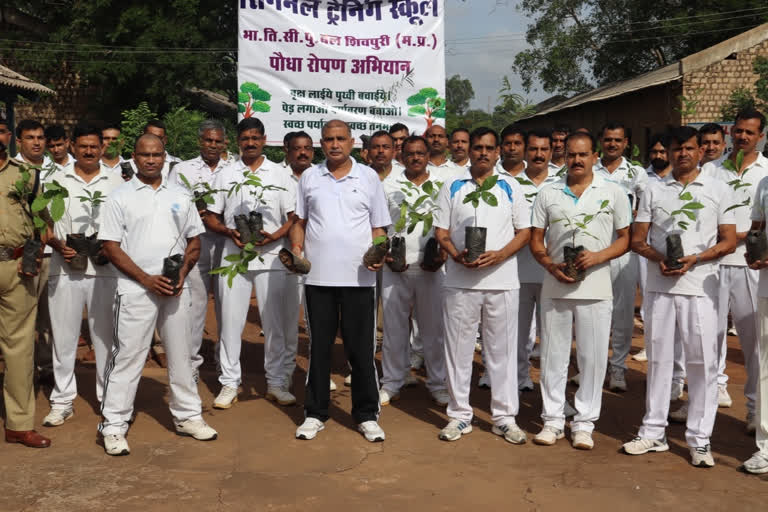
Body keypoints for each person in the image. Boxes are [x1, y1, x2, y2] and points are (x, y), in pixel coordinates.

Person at [624, 126, 736, 468]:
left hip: (702, 288)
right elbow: (638, 239)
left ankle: (700, 439)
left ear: (700, 151)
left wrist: (696, 259)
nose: (683, 154)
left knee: (701, 364)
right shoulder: (653, 189)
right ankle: (652, 431)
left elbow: (729, 240)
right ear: (669, 152)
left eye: (689, 148)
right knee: (659, 361)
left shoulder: (719, 188)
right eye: (677, 149)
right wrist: (660, 259)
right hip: (660, 288)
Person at [98, 134, 217, 456]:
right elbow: (110, 246)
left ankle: (188, 416)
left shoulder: (180, 194)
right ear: (134, 158)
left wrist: (180, 273)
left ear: (166, 157)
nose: (151, 160)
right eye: (145, 155)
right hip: (136, 288)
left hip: (175, 288)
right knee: (127, 356)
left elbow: (195, 241)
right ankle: (113, 424)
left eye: (157, 155)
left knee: (181, 355)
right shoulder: (119, 197)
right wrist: (146, 279)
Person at [289, 119, 390, 442]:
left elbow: (379, 228)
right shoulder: (309, 177)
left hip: (359, 279)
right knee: (319, 348)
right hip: (318, 278)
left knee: (360, 349)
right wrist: (295, 249)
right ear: (322, 143)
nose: (334, 144)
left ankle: (366, 415)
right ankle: (315, 413)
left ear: (352, 142)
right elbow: (299, 222)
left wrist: (378, 252)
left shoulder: (369, 176)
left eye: (340, 139)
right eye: (329, 139)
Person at [529, 132, 631, 450]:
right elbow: (535, 240)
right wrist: (549, 265)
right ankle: (553, 420)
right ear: (565, 155)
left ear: (594, 156)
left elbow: (626, 238)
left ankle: (584, 422)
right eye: (572, 154)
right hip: (556, 285)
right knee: (553, 357)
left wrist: (599, 256)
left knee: (592, 357)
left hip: (597, 287)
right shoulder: (548, 193)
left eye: (583, 155)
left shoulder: (613, 193)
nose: (576, 160)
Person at [433, 127, 531, 444]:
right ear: (469, 150)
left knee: (501, 351)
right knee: (458, 351)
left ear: (498, 152)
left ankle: (504, 417)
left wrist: (501, 254)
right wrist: (454, 255)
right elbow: (441, 231)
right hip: (460, 281)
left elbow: (524, 232)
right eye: (478, 148)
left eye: (490, 148)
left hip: (502, 281)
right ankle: (459, 415)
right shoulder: (452, 185)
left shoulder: (511, 186)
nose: (483, 153)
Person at [204, 117, 298, 407]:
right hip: (235, 257)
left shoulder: (280, 175)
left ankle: (276, 382)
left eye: (256, 137)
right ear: (238, 141)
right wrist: (228, 231)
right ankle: (229, 384)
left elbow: (293, 217)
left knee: (275, 323)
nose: (251, 143)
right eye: (245, 138)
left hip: (271, 257)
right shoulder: (226, 173)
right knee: (230, 323)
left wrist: (275, 237)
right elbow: (210, 216)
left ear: (264, 139)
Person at [42, 124, 124, 427]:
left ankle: (108, 399)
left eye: (94, 146)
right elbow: (43, 221)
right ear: (72, 147)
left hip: (105, 269)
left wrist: (113, 249)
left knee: (104, 336)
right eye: (83, 146)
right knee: (63, 336)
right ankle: (62, 400)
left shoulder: (116, 182)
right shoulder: (54, 179)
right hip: (66, 269)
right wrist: (56, 244)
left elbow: (125, 225)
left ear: (102, 148)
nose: (89, 151)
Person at [698, 108, 768, 430]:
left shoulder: (766, 173)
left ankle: (755, 408)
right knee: (707, 337)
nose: (742, 137)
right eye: (738, 131)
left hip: (749, 264)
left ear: (761, 136)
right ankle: (706, 400)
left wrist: (739, 237)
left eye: (749, 133)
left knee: (753, 341)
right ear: (731, 133)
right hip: (712, 264)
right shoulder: (711, 169)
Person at [379, 135, 449, 406]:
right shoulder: (388, 186)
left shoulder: (442, 186)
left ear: (428, 154)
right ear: (402, 156)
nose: (416, 158)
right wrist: (383, 251)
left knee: (433, 330)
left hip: (432, 268)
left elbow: (449, 225)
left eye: (421, 153)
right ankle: (392, 381)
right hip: (395, 266)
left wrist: (443, 254)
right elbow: (379, 226)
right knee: (395, 329)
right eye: (410, 154)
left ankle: (437, 382)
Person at [0, 116, 51, 448]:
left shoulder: (27, 177)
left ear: (8, 137)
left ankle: (18, 423)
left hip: (16, 266)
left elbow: (43, 224)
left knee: (19, 347)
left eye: (1, 129)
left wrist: (33, 256)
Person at [584, 121, 647, 392]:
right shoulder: (589, 167)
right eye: (607, 139)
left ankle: (618, 367)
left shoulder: (636, 173)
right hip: (593, 247)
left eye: (617, 140)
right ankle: (591, 368)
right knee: (591, 309)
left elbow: (645, 210)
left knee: (622, 311)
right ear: (600, 141)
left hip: (623, 248)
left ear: (626, 144)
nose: (612, 144)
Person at [168, 120, 230, 378]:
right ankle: (191, 364)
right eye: (208, 140)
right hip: (196, 241)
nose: (213, 145)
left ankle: (225, 364)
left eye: (217, 141)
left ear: (225, 143)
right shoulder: (182, 169)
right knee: (196, 303)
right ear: (200, 142)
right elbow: (171, 205)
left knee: (228, 304)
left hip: (227, 242)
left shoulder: (234, 169)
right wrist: (193, 212)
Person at [513, 130, 559, 392]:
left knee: (552, 335)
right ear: (525, 152)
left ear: (551, 152)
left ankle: (551, 389)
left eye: (544, 149)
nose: (539, 154)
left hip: (552, 270)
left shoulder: (561, 183)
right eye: (534, 149)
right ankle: (519, 380)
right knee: (517, 334)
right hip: (516, 269)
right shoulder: (510, 183)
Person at [743, 145, 768, 474]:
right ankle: (765, 445)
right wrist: (755, 250)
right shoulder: (765, 184)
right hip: (767, 284)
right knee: (766, 367)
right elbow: (758, 227)